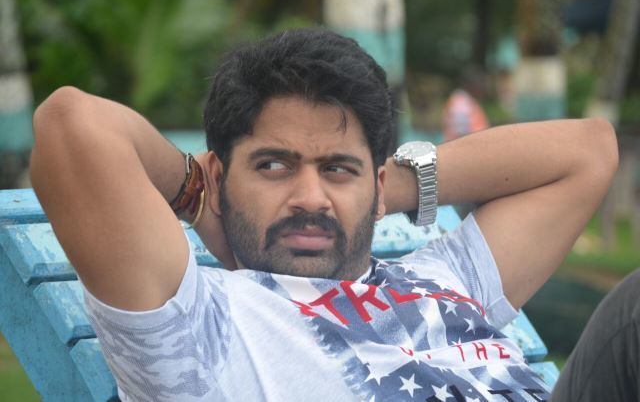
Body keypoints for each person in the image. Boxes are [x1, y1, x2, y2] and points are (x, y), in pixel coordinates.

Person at [30, 28, 619, 401]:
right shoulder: (200, 328)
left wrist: (388, 186)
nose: (311, 198)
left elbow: (589, 151)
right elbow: (73, 125)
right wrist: (196, 197)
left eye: (336, 169)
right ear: (221, 177)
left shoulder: (444, 276)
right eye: (274, 165)